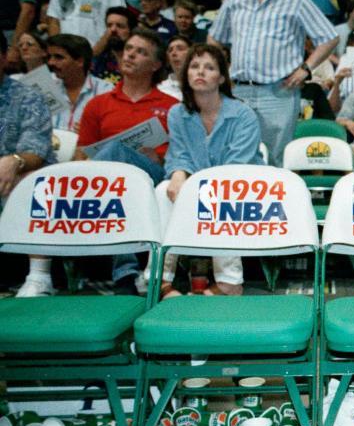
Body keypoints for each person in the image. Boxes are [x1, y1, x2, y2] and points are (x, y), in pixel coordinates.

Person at [208, 0, 338, 166]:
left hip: (279, 93)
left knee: (277, 160)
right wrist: (223, 70)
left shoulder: (297, 0)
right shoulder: (233, 1)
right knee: (235, 156)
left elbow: (330, 38)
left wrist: (306, 70)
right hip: (239, 93)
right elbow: (214, 40)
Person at [73, 29, 177, 294]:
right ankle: (126, 273)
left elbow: (182, 155)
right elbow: (81, 154)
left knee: (117, 152)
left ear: (155, 65)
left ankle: (123, 273)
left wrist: (161, 157)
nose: (130, 54)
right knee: (114, 157)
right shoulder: (98, 104)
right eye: (129, 48)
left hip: (155, 176)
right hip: (105, 183)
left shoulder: (171, 106)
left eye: (140, 52)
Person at [161, 44, 264, 299]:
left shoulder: (243, 114)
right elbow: (179, 153)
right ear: (186, 73)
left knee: (219, 195)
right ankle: (160, 280)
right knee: (163, 191)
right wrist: (177, 174)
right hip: (199, 185)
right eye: (195, 66)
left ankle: (230, 283)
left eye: (209, 67)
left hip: (241, 186)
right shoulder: (176, 113)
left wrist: (195, 185)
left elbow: (236, 167)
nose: (201, 72)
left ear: (221, 77)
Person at [1, 31, 56, 298]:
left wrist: (13, 161)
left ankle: (39, 277)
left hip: (13, 178)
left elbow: (36, 150)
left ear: (3, 58)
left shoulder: (27, 97)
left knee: (31, 179)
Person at [46, 33, 112, 131]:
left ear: (80, 61)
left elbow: (112, 131)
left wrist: (95, 132)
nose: (51, 62)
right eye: (50, 57)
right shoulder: (46, 87)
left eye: (58, 57)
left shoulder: (105, 91)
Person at [91, 6, 136, 84]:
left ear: (131, 30)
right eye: (109, 25)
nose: (113, 30)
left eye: (120, 26)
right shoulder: (100, 57)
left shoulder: (140, 59)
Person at [158, 36, 190, 100]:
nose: (173, 53)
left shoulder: (202, 85)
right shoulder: (160, 89)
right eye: (170, 50)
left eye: (180, 49)